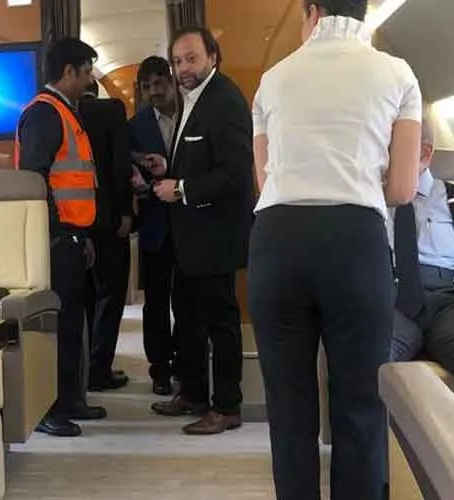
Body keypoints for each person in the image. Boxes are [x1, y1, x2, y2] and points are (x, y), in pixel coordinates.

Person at [248, 1, 422, 498]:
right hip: (354, 241)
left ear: (312, 11)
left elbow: (265, 181)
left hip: (278, 242)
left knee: (289, 413)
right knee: (360, 409)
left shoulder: (272, 80)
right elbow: (403, 188)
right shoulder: (397, 74)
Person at [147, 26, 254, 436]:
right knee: (189, 318)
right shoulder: (194, 99)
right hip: (190, 237)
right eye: (177, 61)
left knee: (219, 323)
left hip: (215, 235)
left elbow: (235, 175)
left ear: (213, 57)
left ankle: (227, 406)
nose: (183, 68)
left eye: (191, 58)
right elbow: (201, 158)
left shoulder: (224, 101)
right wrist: (169, 167)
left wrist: (181, 188)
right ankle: (193, 392)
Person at [15, 37, 106, 437]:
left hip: (72, 234)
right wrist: (58, 234)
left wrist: (81, 235)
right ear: (68, 72)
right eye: (85, 73)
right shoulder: (44, 113)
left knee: (72, 324)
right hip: (54, 239)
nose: (89, 81)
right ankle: (48, 408)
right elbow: (34, 179)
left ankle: (69, 399)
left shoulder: (66, 112)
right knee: (55, 327)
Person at [128, 55, 181, 395]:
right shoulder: (136, 126)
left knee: (189, 301)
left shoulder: (192, 114)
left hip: (191, 222)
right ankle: (159, 367)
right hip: (154, 225)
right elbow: (127, 167)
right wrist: (136, 180)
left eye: (158, 84)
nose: (153, 92)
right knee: (157, 303)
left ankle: (186, 363)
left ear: (171, 80)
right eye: (146, 87)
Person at [390, 118, 454, 375]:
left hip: (447, 304)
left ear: (424, 153)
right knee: (365, 361)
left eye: (391, 148)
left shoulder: (453, 198)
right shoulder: (372, 199)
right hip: (392, 302)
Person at [79, 80, 132, 391]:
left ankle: (83, 368)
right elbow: (119, 164)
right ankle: (100, 370)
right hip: (108, 218)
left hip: (75, 220)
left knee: (84, 296)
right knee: (111, 294)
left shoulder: (64, 113)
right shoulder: (112, 110)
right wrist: (126, 211)